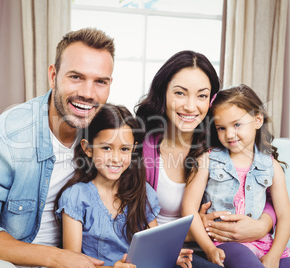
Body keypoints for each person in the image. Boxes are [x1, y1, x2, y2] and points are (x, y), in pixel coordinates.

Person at [0, 27, 117, 268]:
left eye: (100, 82)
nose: (88, 93)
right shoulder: (3, 138)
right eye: (76, 77)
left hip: (74, 259)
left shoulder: (102, 134)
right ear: (53, 75)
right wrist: (57, 258)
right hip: (6, 260)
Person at [136, 51, 278, 268]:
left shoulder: (223, 141)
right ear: (163, 92)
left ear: (211, 100)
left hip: (212, 247)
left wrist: (263, 225)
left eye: (201, 95)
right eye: (180, 93)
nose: (191, 107)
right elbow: (125, 219)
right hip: (167, 251)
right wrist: (195, 230)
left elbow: (259, 189)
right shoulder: (141, 147)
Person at [55, 104, 193, 267]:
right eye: (106, 148)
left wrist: (167, 254)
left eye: (124, 149)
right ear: (88, 148)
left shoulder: (143, 191)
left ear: (133, 149)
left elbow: (153, 244)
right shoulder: (76, 197)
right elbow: (72, 263)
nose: (116, 158)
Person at [182, 84, 290, 267]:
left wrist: (274, 255)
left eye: (237, 124)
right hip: (226, 242)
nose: (229, 134)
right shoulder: (207, 160)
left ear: (258, 120)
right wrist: (208, 248)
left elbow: (285, 216)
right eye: (221, 128)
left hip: (265, 243)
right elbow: (188, 209)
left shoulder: (271, 165)